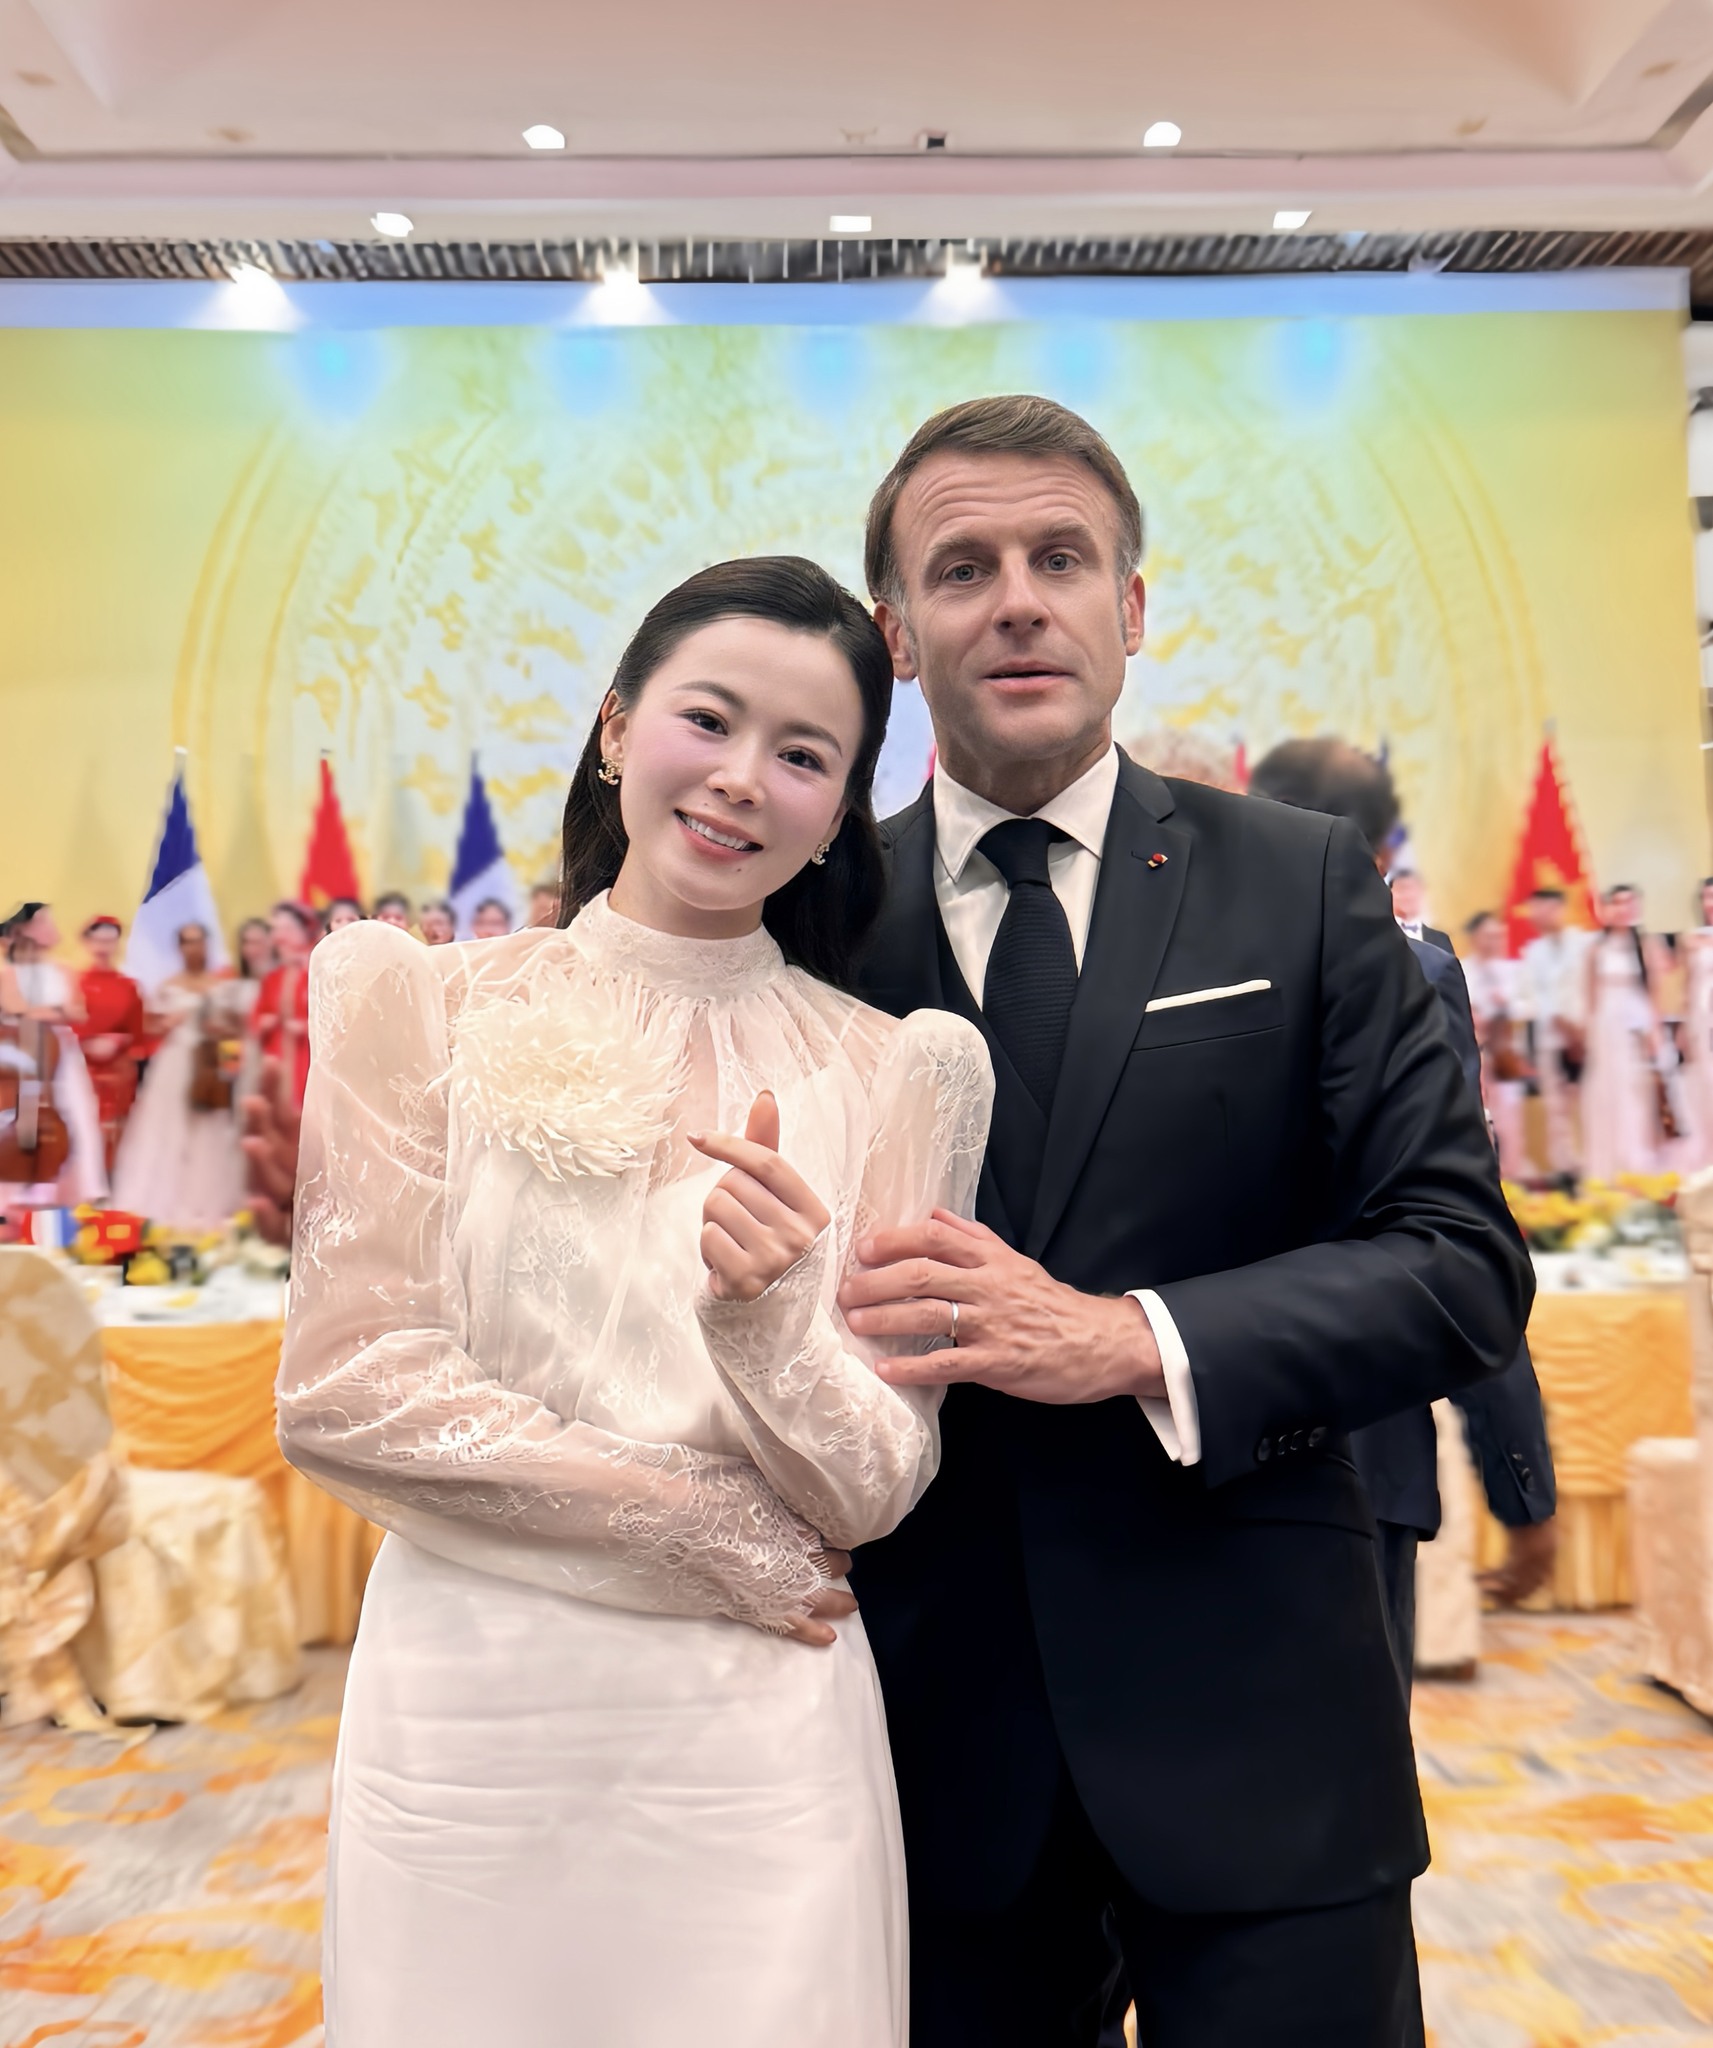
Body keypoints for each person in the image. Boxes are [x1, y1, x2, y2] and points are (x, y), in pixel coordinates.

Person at [836, 396, 1531, 2048]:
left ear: (1130, 606)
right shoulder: (819, 917)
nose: (1018, 600)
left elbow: (1456, 1260)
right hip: (922, 1749)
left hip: (1262, 1722)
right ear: (895, 634)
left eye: (1060, 558)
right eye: (962, 567)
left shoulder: (1298, 881)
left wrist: (1128, 1340)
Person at [277, 557, 993, 2048]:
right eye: (707, 720)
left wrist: (767, 1328)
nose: (741, 779)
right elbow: (344, 1387)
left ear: (839, 812)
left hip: (759, 1720)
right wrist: (693, 1524)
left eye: (803, 756)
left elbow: (875, 1485)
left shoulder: (901, 1070)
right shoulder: (420, 1000)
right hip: (472, 1704)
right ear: (615, 727)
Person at [1247, 739, 1557, 1690]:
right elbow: (1450, 1230)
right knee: (1352, 1750)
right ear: (1382, 850)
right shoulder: (1415, 977)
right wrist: (1520, 1479)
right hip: (1361, 1441)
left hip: (1187, 1427)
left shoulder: (1154, 959)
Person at [111, 922, 246, 1227]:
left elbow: (234, 1029)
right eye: (187, 942)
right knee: (166, 1127)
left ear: (207, 944)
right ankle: (162, 1199)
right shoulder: (168, 985)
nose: (193, 948)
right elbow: (148, 1028)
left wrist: (219, 1034)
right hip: (174, 1061)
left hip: (207, 1062)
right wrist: (167, 1023)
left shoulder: (221, 985)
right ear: (179, 948)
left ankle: (205, 1199)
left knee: (208, 1128)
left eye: (198, 941)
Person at [0, 902, 107, 1206]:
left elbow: (78, 1012)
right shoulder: (9, 973)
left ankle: (80, 1187)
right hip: (23, 1046)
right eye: (43, 921)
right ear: (24, 930)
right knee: (19, 1114)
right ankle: (20, 1185)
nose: (50, 927)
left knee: (76, 1112)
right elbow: (15, 1008)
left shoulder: (63, 970)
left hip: (62, 1050)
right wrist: (55, 1010)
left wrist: (44, 1011)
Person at [1582, 884, 1672, 1180]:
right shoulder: (1596, 949)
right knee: (1608, 1091)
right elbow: (1590, 996)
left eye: (1628, 903)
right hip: (1606, 1026)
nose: (1622, 909)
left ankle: (1639, 1159)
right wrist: (1589, 1034)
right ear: (1607, 909)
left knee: (1638, 1090)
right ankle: (1609, 1163)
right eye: (1616, 903)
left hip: (1638, 1023)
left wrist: (1656, 1031)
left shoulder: (1647, 945)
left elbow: (1655, 992)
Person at [1517, 887, 1593, 1181]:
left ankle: (1595, 1167)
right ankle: (1566, 1170)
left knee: (1589, 1103)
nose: (1540, 915)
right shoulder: (1532, 953)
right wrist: (1558, 1020)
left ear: (1560, 908)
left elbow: (1592, 988)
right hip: (1550, 1038)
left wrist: (1579, 1028)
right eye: (1535, 910)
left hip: (1586, 1036)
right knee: (1557, 1108)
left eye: (1546, 908)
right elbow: (1531, 997)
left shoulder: (1586, 943)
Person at [1462, 910, 1536, 1183]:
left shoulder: (1514, 971)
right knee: (1478, 1116)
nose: (1494, 941)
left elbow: (1530, 1006)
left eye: (1498, 935)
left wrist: (1507, 1005)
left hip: (1506, 1054)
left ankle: (1512, 1175)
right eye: (1488, 935)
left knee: (1510, 1117)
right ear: (1474, 938)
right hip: (1475, 1054)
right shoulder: (1462, 968)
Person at [73, 915, 144, 1172]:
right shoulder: (74, 983)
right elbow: (67, 1024)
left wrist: (119, 1040)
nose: (103, 946)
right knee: (82, 1128)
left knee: (115, 1130)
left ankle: (111, 1181)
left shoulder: (128, 986)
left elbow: (137, 1031)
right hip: (81, 1068)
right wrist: (86, 1043)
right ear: (87, 942)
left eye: (110, 940)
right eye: (98, 940)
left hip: (118, 1070)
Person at [251, 902, 317, 1112]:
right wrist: (264, 1023)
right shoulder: (272, 979)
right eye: (276, 930)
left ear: (304, 932)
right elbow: (256, 1017)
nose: (280, 937)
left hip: (309, 1059)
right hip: (278, 1057)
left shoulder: (317, 974)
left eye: (287, 929)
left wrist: (306, 1027)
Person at [1389, 867, 1452, 953]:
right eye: (1402, 889)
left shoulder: (1441, 939)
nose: (1408, 895)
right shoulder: (1379, 935)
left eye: (1413, 889)